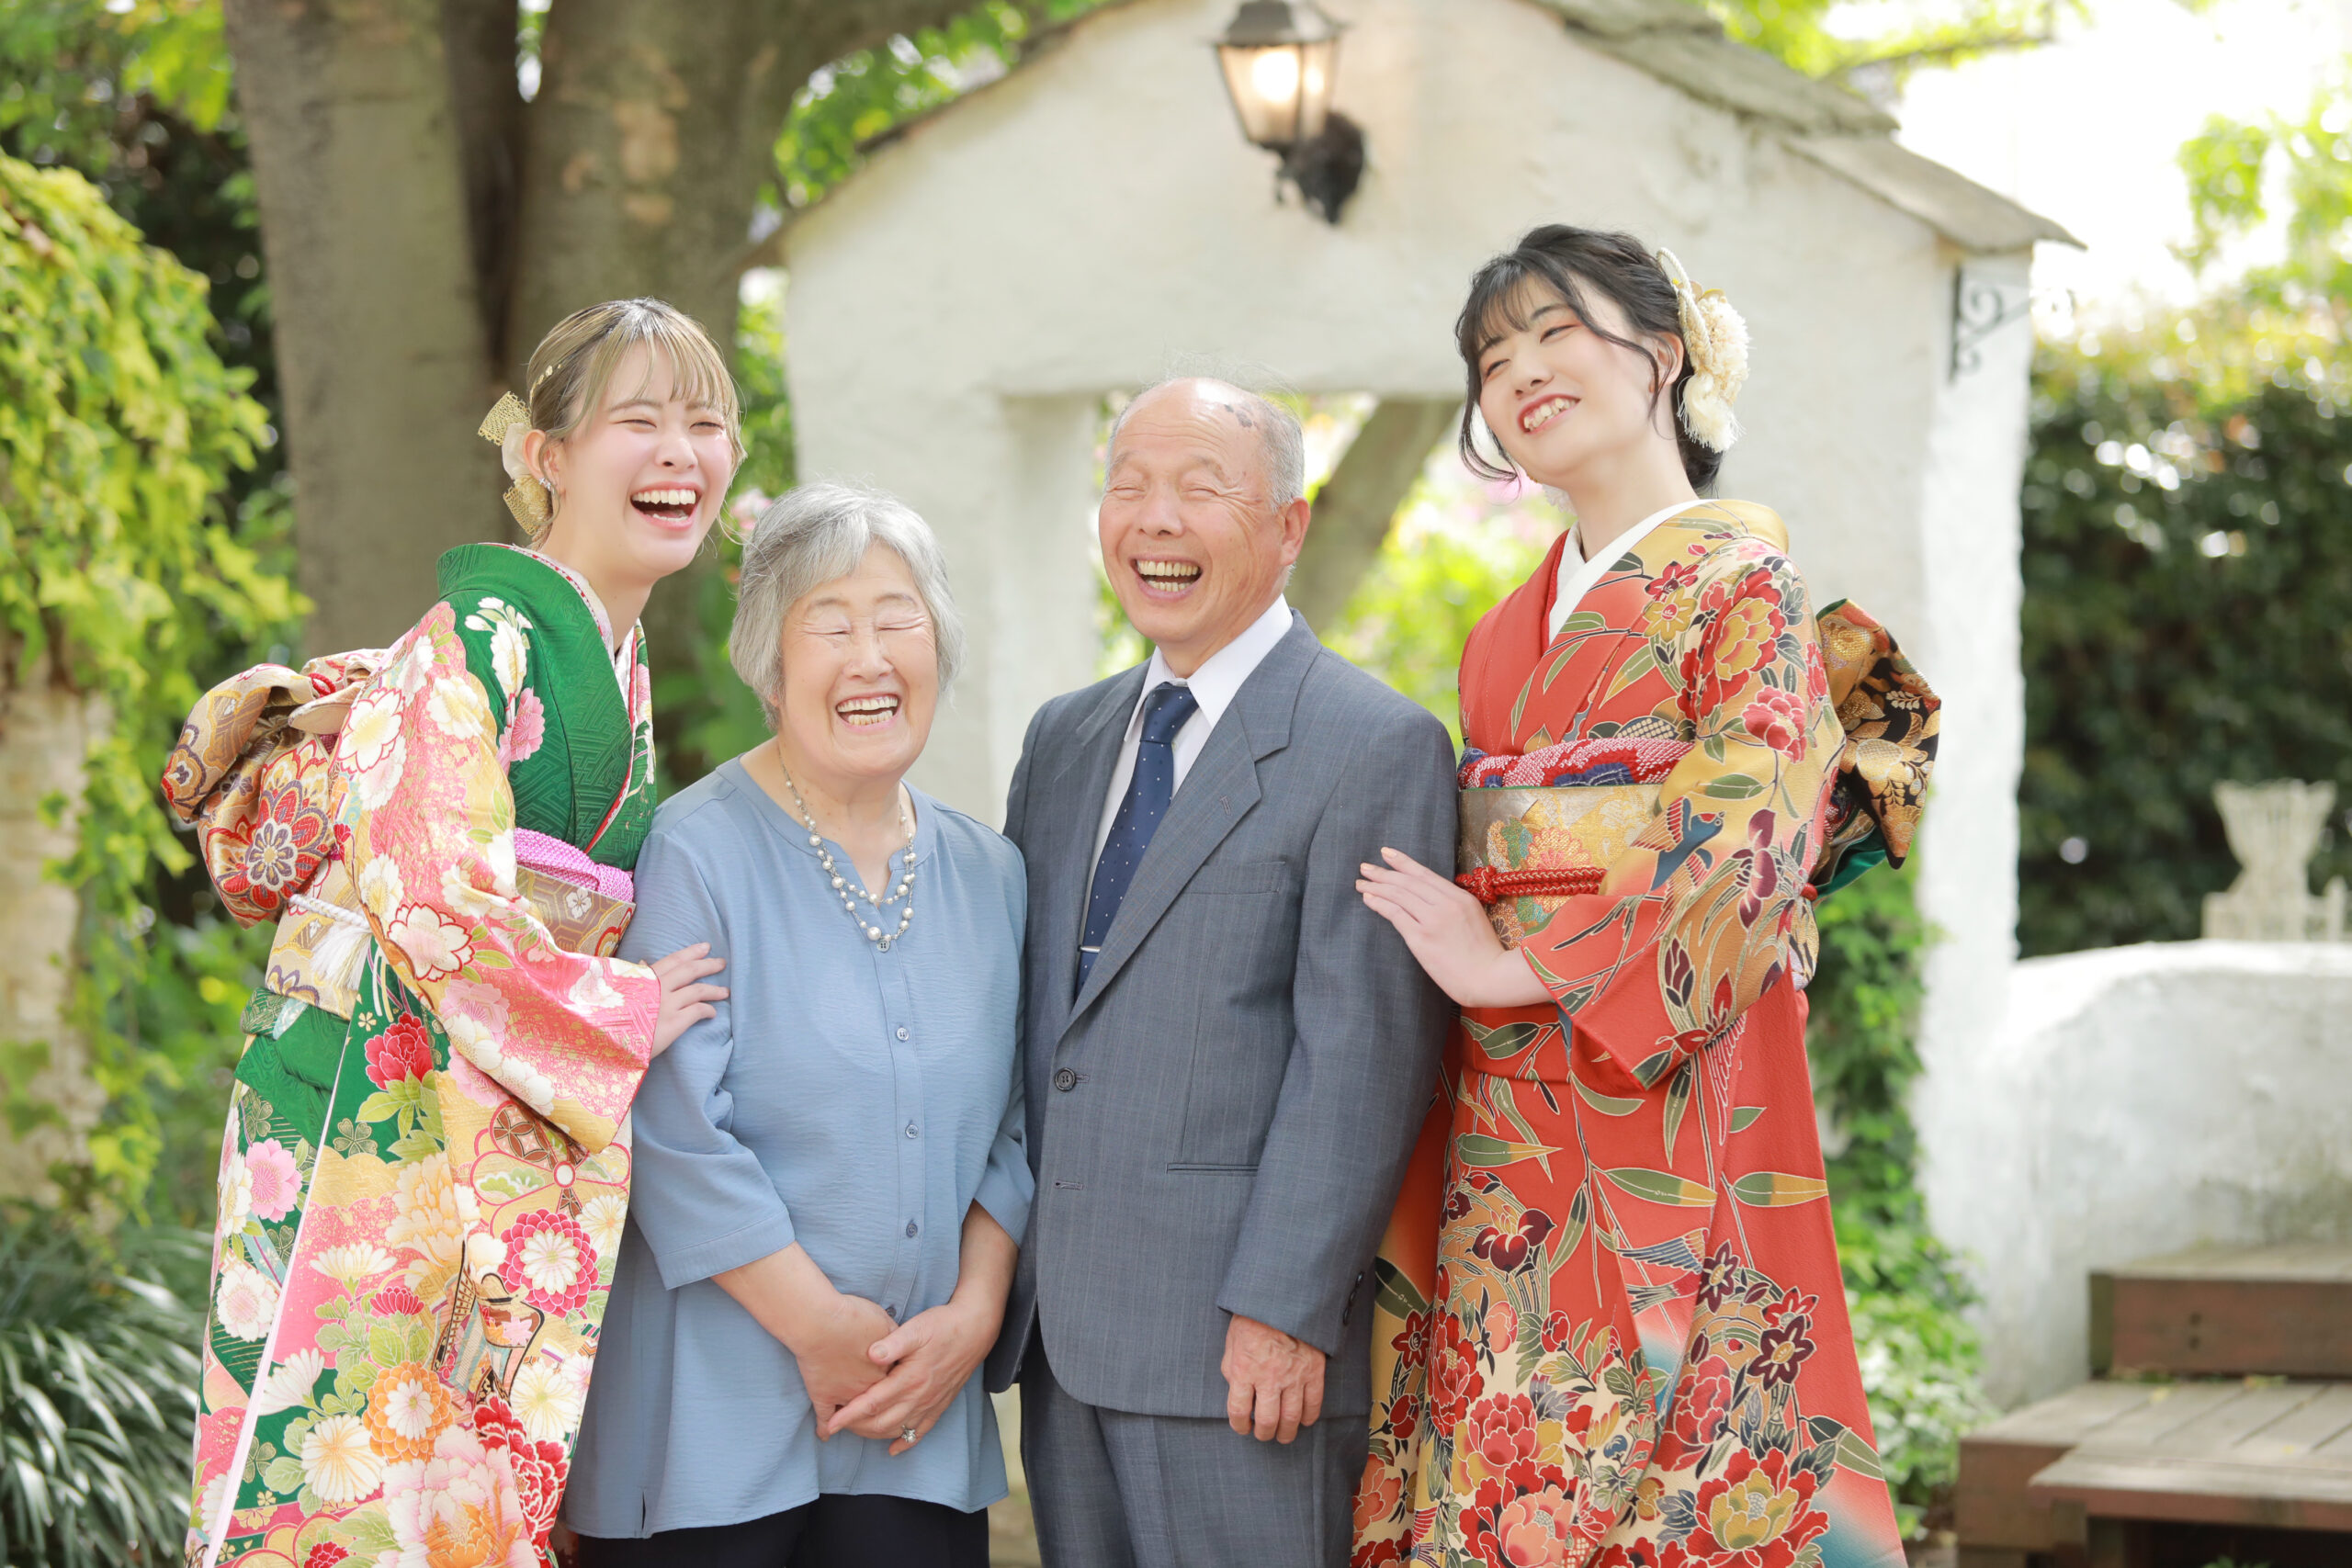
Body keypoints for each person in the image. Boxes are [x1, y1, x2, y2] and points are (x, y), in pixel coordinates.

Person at [1350, 227, 1941, 1566]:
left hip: (1670, 1057)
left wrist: (1517, 963)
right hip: (1508, 1091)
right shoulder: (1502, 631)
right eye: (1492, 357)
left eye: (1554, 332)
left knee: (1678, 1425)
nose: (1520, 371)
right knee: (1504, 1423)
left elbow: (1750, 827)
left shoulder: (1745, 582)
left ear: (1665, 354)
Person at [164, 298, 738, 1568]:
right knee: (339, 1448)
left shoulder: (605, 656)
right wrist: (617, 1011)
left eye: (707, 425)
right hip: (364, 1090)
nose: (680, 452)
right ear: (545, 455)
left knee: (433, 1472)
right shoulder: (471, 641)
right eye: (639, 420)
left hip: (451, 1080)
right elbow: (432, 902)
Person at [987, 375, 1458, 1566]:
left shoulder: (1372, 744)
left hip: (1241, 1351)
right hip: (1061, 1337)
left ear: (1289, 527)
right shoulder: (1063, 738)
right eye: (1128, 485)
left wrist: (1284, 1307)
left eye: (1201, 488)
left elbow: (1363, 1057)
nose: (1155, 518)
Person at [564, 482, 1029, 1567]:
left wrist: (974, 1314)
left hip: (915, 1414)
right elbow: (674, 1129)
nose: (870, 658)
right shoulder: (693, 853)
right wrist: (824, 1332)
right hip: (706, 1429)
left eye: (897, 620)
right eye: (830, 625)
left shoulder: (992, 873)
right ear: (770, 667)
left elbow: (1017, 1126)